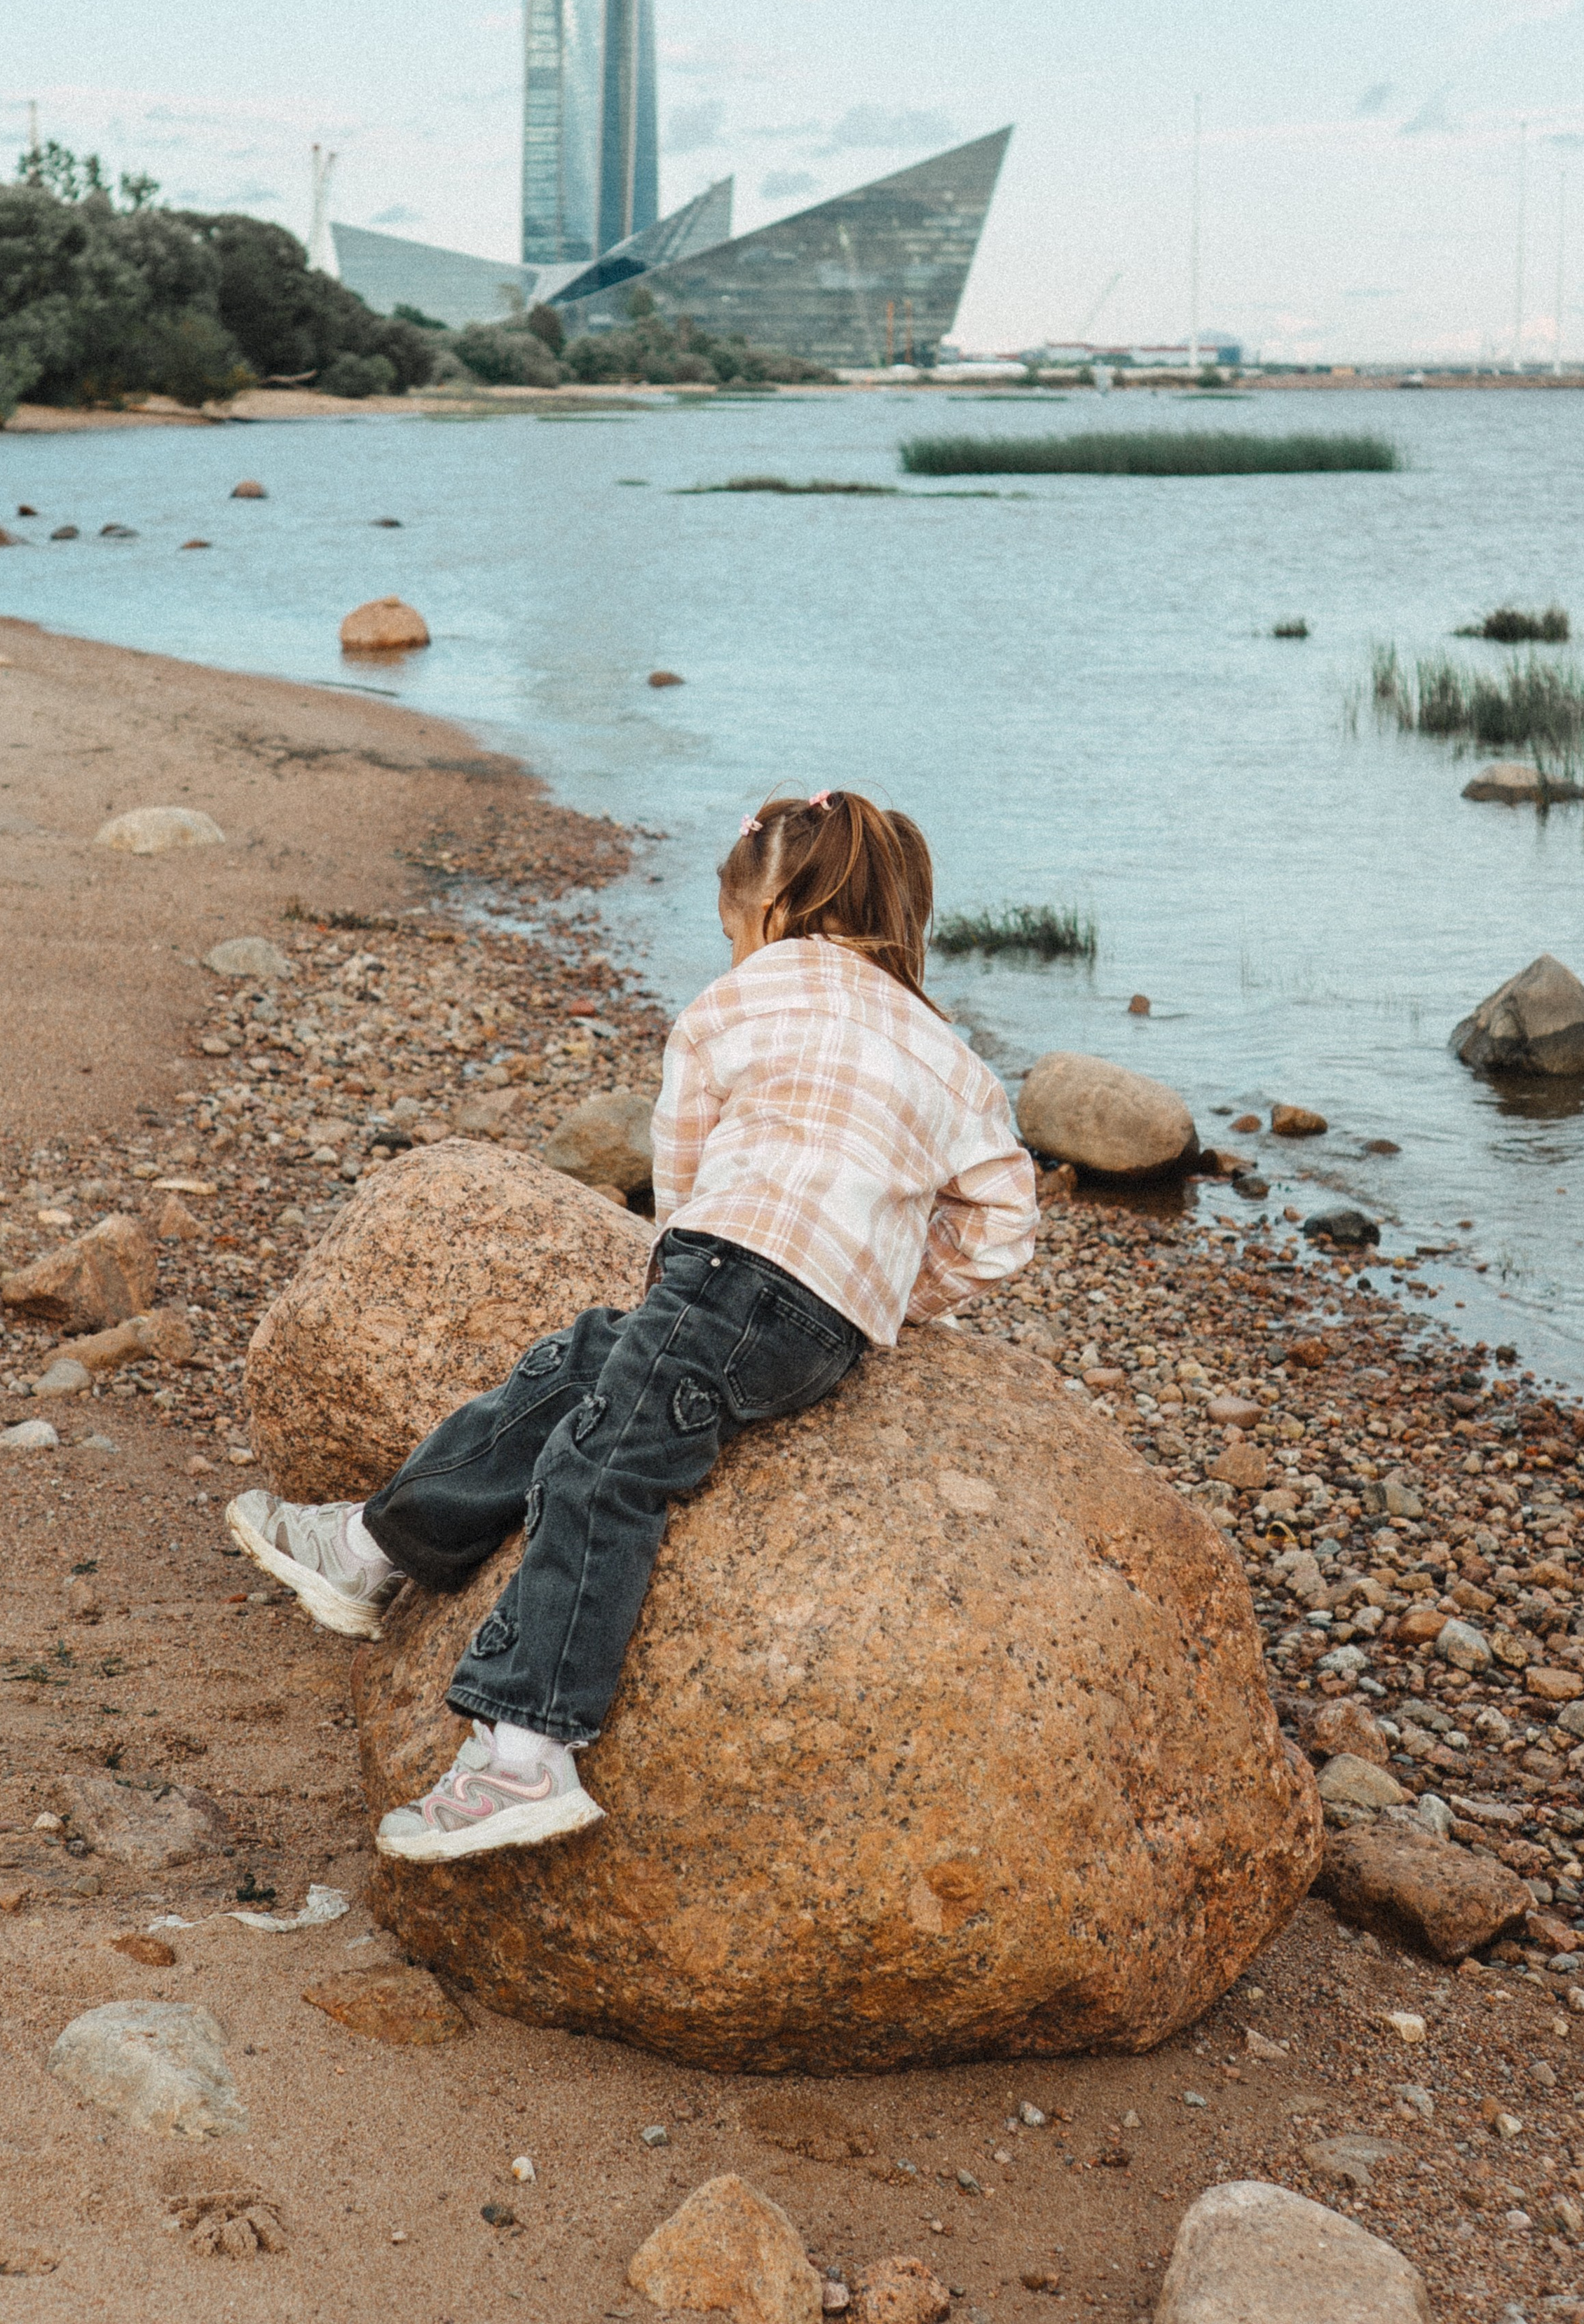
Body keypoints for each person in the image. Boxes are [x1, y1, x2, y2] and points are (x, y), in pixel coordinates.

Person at [226, 791, 1037, 1865]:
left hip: (724, 1268)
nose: (733, 943)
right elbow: (1002, 1227)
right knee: (580, 1370)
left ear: (774, 912)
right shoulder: (947, 1052)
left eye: (733, 924)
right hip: (824, 1332)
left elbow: (682, 1177)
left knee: (602, 1470)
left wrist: (691, 1273)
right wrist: (887, 1286)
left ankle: (526, 1752)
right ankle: (375, 1546)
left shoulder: (741, 1000)